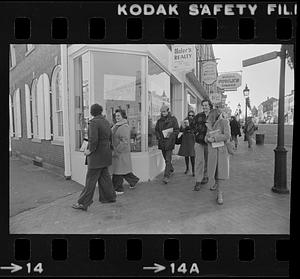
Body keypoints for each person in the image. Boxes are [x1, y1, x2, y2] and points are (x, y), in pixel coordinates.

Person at [72, 104, 116, 211]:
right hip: (106, 154)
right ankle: (109, 197)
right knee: (105, 178)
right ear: (100, 111)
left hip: (96, 156)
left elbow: (93, 140)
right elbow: (111, 138)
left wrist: (89, 150)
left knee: (90, 180)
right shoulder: (106, 122)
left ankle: (83, 203)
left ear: (92, 112)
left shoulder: (93, 123)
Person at [205, 108, 231, 205]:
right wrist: (207, 139)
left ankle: (220, 194)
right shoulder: (209, 124)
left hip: (221, 151)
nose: (209, 117)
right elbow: (205, 137)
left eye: (211, 115)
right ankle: (215, 183)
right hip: (212, 151)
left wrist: (215, 138)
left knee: (221, 172)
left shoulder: (224, 122)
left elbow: (227, 135)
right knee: (214, 171)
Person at [111, 109, 139, 194]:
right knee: (122, 170)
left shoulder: (124, 127)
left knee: (118, 171)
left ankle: (118, 189)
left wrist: (117, 150)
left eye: (119, 116)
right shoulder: (116, 125)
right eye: (116, 116)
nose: (117, 117)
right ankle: (133, 180)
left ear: (123, 116)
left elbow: (124, 141)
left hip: (121, 152)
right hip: (118, 152)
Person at [190, 99, 212, 191]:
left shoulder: (214, 116)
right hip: (199, 142)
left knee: (208, 161)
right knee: (199, 161)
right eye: (203, 105)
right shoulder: (199, 116)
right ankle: (198, 181)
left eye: (206, 105)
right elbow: (192, 126)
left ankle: (205, 176)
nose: (204, 107)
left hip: (210, 142)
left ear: (210, 106)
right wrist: (196, 133)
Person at [155, 104, 179, 184]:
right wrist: (158, 136)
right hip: (162, 142)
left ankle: (166, 176)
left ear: (168, 111)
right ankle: (171, 169)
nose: (163, 113)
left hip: (169, 142)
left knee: (168, 160)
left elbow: (176, 130)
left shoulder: (173, 119)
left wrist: (170, 135)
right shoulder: (159, 121)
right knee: (166, 158)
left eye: (164, 112)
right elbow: (156, 130)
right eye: (162, 112)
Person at [178, 110, 195, 176]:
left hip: (192, 139)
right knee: (186, 155)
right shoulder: (185, 120)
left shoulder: (195, 121)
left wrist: (189, 128)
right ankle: (187, 168)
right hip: (185, 139)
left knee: (192, 155)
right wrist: (184, 127)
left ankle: (193, 170)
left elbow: (195, 129)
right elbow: (180, 130)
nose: (191, 116)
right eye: (189, 115)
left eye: (192, 115)